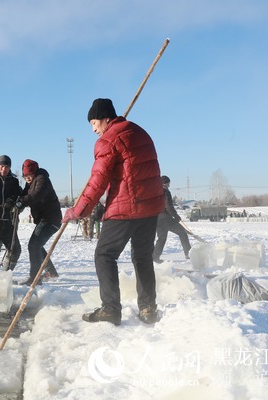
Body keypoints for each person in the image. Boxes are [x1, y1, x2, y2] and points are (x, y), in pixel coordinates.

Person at [62, 98, 164, 325]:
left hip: (125, 206)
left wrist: (78, 211)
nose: (93, 129)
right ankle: (148, 308)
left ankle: (110, 309)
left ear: (106, 119)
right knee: (142, 257)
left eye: (94, 123)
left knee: (104, 255)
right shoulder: (140, 132)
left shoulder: (108, 140)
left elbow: (98, 181)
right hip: (150, 207)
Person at [16, 159, 61, 285]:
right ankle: (51, 272)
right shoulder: (31, 183)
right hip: (45, 219)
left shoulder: (42, 179)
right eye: (25, 176)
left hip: (51, 220)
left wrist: (22, 202)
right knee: (37, 245)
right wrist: (17, 201)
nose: (27, 178)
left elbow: (36, 195)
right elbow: (24, 195)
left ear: (34, 173)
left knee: (34, 245)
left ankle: (35, 278)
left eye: (29, 175)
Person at [152, 176, 192, 263]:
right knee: (182, 232)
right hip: (166, 218)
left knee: (161, 238)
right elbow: (169, 207)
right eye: (169, 183)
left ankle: (155, 257)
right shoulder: (165, 192)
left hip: (157, 218)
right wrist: (176, 216)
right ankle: (189, 253)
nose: (169, 185)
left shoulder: (155, 192)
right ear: (166, 183)